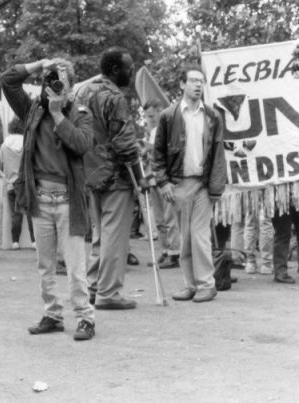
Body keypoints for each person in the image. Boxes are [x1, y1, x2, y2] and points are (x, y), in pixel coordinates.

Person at [0, 57, 96, 341]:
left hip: (69, 202)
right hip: (40, 200)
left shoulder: (81, 113)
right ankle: (53, 315)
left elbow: (81, 144)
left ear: (70, 88)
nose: (52, 87)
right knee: (45, 265)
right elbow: (7, 79)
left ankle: (85, 318)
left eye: (59, 82)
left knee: (76, 267)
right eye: (48, 81)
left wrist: (57, 115)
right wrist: (39, 65)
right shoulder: (31, 110)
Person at [79, 47, 149, 310]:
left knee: (99, 234)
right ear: (116, 69)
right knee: (114, 236)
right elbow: (125, 143)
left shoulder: (83, 92)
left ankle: (95, 286)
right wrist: (140, 178)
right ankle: (109, 292)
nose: (132, 72)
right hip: (114, 176)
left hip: (89, 173)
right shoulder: (115, 97)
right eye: (129, 68)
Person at [152, 64, 226, 302]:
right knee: (185, 236)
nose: (197, 85)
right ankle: (191, 284)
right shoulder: (168, 116)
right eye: (193, 80)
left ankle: (206, 284)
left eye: (200, 81)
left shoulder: (213, 116)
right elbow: (158, 154)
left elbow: (218, 153)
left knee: (199, 233)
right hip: (179, 183)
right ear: (182, 84)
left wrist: (216, 187)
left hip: (203, 184)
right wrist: (163, 183)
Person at [143, 99, 181, 269]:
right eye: (146, 116)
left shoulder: (169, 127)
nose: (149, 119)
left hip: (165, 178)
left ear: (159, 111)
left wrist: (152, 150)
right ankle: (164, 251)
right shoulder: (151, 131)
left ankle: (174, 253)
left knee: (169, 217)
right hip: (152, 177)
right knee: (158, 218)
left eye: (151, 115)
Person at [0, 117, 35, 249]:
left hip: (10, 184)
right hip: (25, 183)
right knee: (31, 211)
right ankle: (34, 241)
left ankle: (15, 241)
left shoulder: (3, 146)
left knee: (15, 213)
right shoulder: (27, 143)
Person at [271, 208, 298, 283]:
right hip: (281, 200)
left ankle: (280, 271)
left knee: (282, 234)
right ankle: (280, 272)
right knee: (282, 234)